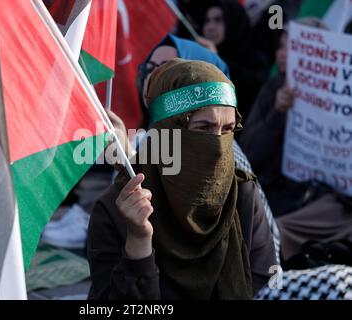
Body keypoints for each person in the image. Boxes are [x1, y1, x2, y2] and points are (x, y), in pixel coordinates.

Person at [87, 59, 277, 300]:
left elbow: (266, 289)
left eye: (227, 129)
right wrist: (138, 240)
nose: (218, 146)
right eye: (202, 128)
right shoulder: (117, 208)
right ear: (166, 132)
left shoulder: (243, 194)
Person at [239, 18, 352, 262]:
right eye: (281, 46)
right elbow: (248, 155)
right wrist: (277, 114)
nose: (283, 53)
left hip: (331, 203)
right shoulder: (274, 88)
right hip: (275, 193)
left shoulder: (344, 95)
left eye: (293, 47)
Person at [177, 0, 269, 122]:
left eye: (218, 20)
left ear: (234, 22)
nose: (210, 27)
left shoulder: (256, 62)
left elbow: (245, 91)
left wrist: (217, 61)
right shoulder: (196, 59)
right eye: (207, 21)